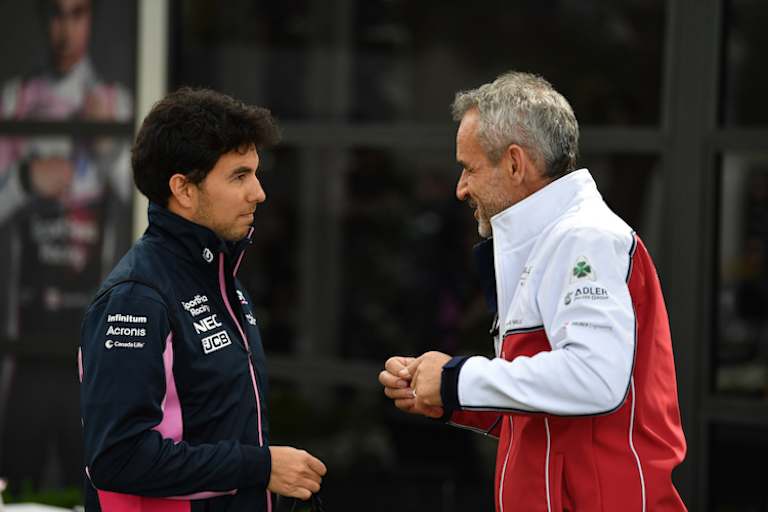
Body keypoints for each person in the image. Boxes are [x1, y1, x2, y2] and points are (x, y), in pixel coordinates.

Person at [379, 72, 687, 511]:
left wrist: (455, 380)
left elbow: (594, 378)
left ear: (515, 163)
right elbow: (549, 413)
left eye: (469, 168)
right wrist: (450, 397)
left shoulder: (584, 236)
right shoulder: (559, 237)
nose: (460, 188)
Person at [78, 88, 326, 511]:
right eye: (239, 176)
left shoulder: (222, 280)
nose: (259, 192)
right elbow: (117, 457)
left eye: (256, 174)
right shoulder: (137, 298)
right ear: (184, 189)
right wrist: (260, 467)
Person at [0, 0, 132, 492]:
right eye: (57, 14)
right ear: (44, 20)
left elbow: (155, 201)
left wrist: (109, 149)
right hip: (25, 338)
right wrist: (23, 182)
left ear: (91, 19)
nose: (66, 29)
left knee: (94, 486)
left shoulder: (116, 104)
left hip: (95, 345)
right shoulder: (15, 101)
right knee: (16, 486)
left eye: (77, 14)